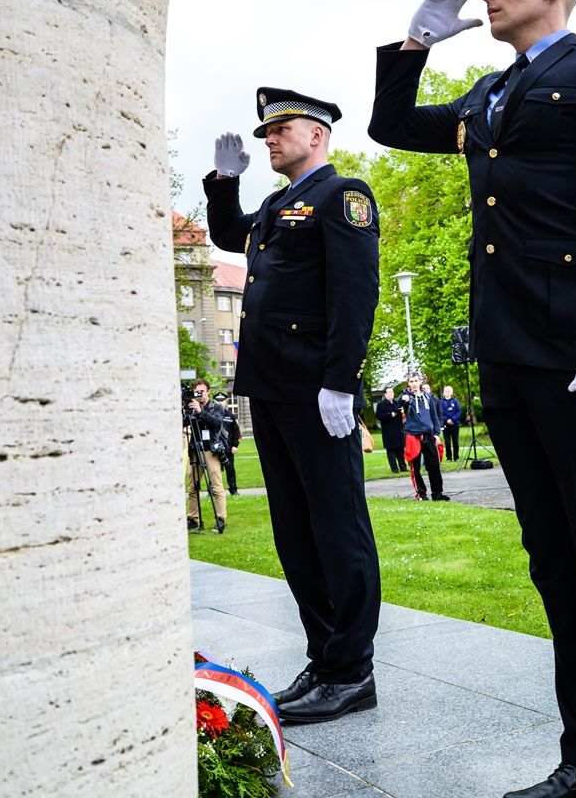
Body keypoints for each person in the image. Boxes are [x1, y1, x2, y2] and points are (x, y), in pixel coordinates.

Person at [369, 0, 576, 798]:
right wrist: (415, 41)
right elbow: (391, 125)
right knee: (553, 558)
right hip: (506, 356)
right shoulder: (488, 98)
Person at [203, 87, 381, 724]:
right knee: (296, 531)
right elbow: (228, 232)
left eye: (281, 129)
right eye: (264, 132)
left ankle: (352, 669)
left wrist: (341, 382)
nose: (269, 139)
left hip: (315, 387)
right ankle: (324, 657)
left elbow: (357, 293)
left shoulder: (344, 195)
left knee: (338, 528)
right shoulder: (280, 203)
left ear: (319, 134)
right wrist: (224, 182)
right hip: (272, 386)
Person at [185, 379, 227, 533]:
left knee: (216, 486)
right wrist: (185, 409)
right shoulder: (191, 407)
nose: (200, 395)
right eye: (197, 392)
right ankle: (193, 519)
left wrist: (200, 411)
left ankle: (221, 519)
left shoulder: (216, 407)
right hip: (195, 449)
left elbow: (216, 423)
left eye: (202, 391)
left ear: (208, 391)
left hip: (211, 450)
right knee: (192, 487)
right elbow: (182, 423)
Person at [401, 372, 449, 501]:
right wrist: (404, 400)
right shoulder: (406, 397)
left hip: (429, 435)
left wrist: (437, 434)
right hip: (413, 435)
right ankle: (421, 494)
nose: (414, 384)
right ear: (408, 383)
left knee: (434, 465)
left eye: (416, 381)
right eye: (411, 381)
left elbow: (434, 416)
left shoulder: (428, 397)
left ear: (420, 381)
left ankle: (437, 493)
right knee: (415, 467)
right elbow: (401, 405)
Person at [213, 392, 241, 494]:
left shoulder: (230, 416)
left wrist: (235, 445)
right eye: (218, 400)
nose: (220, 403)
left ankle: (233, 490)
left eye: (222, 400)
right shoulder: (211, 415)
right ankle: (212, 491)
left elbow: (236, 432)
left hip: (228, 449)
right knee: (214, 471)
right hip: (215, 449)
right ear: (214, 402)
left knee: (230, 470)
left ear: (226, 402)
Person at [375, 386, 408, 472]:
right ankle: (394, 469)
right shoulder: (381, 404)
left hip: (398, 429)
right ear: (385, 394)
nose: (391, 393)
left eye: (392, 392)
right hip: (388, 431)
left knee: (400, 450)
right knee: (391, 451)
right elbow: (378, 416)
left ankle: (403, 467)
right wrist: (390, 415)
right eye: (389, 392)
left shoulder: (397, 403)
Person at [440, 385, 461, 461]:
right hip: (445, 425)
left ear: (451, 392)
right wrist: (447, 420)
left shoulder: (455, 401)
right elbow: (441, 413)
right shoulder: (441, 402)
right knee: (447, 442)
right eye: (446, 391)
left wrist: (452, 419)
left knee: (455, 441)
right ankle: (449, 458)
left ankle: (456, 457)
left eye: (449, 391)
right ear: (443, 392)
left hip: (455, 424)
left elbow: (458, 411)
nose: (447, 392)